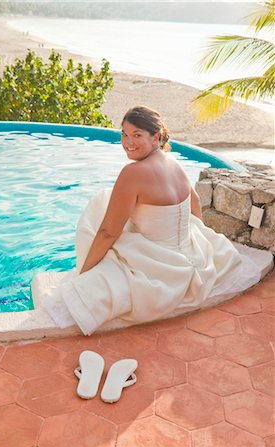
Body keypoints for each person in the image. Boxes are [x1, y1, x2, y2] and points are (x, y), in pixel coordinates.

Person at [31, 105, 261, 335]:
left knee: (97, 213)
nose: (128, 142)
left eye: (137, 135)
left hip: (156, 262)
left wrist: (84, 273)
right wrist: (199, 243)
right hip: (187, 253)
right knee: (107, 203)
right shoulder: (174, 163)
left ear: (156, 137)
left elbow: (108, 233)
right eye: (124, 134)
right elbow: (195, 202)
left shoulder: (133, 173)